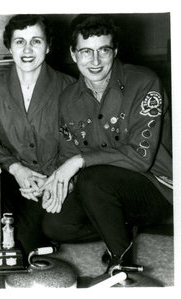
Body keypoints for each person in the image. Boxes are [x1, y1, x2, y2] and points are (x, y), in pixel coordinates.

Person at [41, 14, 173, 273]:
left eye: (103, 50)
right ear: (73, 53)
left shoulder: (145, 82)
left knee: (93, 179)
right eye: (86, 52)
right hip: (102, 189)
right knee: (56, 226)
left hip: (156, 186)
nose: (95, 61)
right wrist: (59, 183)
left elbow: (140, 157)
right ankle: (120, 228)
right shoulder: (68, 99)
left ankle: (121, 262)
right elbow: (68, 152)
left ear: (115, 51)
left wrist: (79, 162)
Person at [0, 15, 75, 254]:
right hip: (12, 178)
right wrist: (16, 169)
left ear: (48, 46)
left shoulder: (70, 88)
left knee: (53, 227)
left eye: (36, 41)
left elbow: (81, 145)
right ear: (9, 46)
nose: (27, 49)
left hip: (57, 178)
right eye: (19, 42)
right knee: (9, 242)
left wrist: (56, 179)